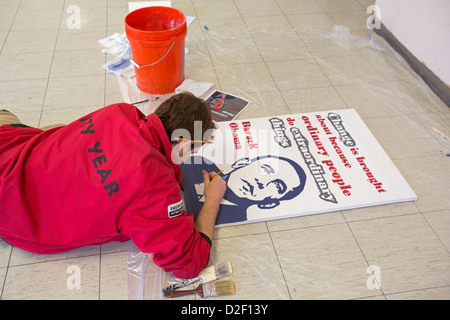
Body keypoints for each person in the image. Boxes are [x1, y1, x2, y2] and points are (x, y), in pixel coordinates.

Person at [0, 92, 226, 279]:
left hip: (8, 150)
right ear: (186, 144)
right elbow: (188, 263)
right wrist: (212, 200)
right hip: (16, 218)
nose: (193, 156)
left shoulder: (120, 111)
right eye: (196, 149)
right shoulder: (153, 186)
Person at [180, 154, 306, 225]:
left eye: (277, 186)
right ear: (241, 162)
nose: (262, 182)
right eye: (266, 169)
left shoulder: (233, 218)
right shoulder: (197, 163)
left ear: (269, 204)